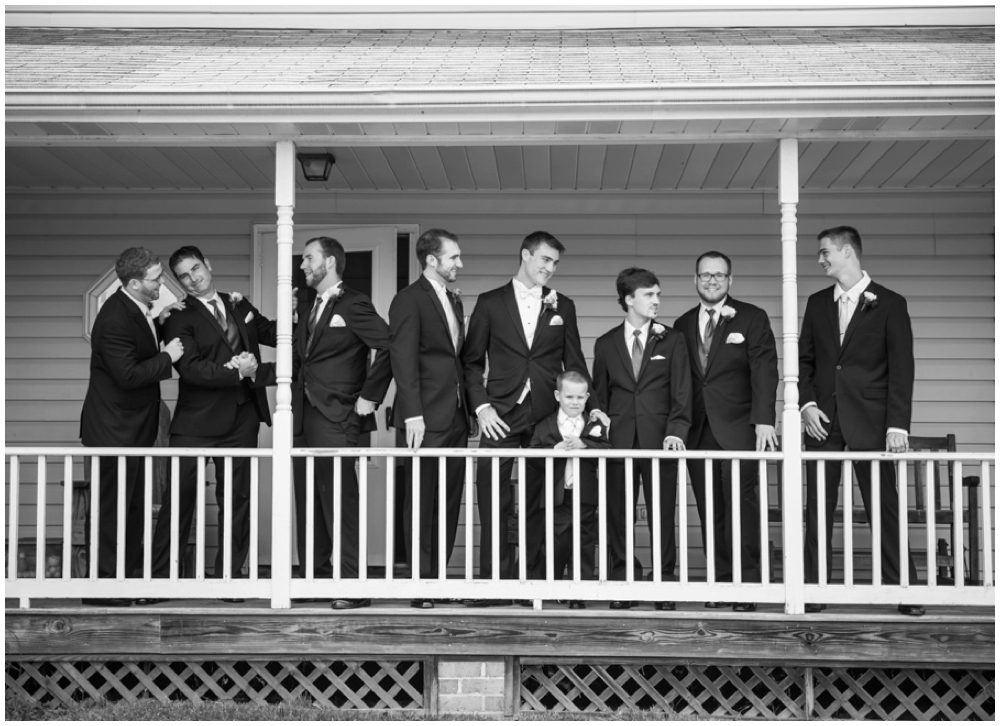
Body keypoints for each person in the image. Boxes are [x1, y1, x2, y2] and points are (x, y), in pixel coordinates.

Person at [462, 231, 594, 605]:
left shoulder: (562, 306)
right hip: (499, 416)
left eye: (555, 263)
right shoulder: (489, 303)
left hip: (544, 418)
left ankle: (533, 582)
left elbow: (575, 360)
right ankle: (494, 584)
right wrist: (482, 406)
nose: (550, 269)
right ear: (525, 255)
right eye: (545, 260)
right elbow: (471, 362)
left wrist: (593, 406)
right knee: (492, 499)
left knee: (541, 502)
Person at [799, 225, 923, 617]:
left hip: (872, 419)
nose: (820, 259)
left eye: (825, 252)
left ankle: (905, 589)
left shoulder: (889, 303)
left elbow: (902, 367)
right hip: (824, 420)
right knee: (818, 506)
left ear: (848, 252)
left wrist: (897, 425)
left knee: (884, 505)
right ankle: (815, 588)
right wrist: (805, 404)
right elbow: (806, 361)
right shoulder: (817, 303)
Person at [149, 246, 276, 596]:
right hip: (195, 422)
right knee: (179, 500)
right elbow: (190, 370)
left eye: (196, 269)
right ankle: (162, 579)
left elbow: (269, 331)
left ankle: (229, 579)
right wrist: (238, 373)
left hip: (242, 419)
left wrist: (299, 315)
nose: (193, 279)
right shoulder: (177, 317)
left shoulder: (237, 304)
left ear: (208, 264)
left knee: (237, 501)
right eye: (184, 276)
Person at [674, 252, 779, 613]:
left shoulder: (751, 317)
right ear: (696, 280)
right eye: (705, 275)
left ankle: (747, 584)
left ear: (730, 281)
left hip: (740, 429)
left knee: (742, 507)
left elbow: (765, 371)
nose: (712, 281)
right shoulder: (683, 323)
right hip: (698, 431)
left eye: (719, 275)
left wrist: (765, 419)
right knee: (710, 510)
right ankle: (719, 582)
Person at [79, 247, 183, 606]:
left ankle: (129, 580)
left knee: (133, 507)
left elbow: (139, 342)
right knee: (112, 510)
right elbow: (128, 375)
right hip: (113, 430)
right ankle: (105, 589)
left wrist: (160, 320)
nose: (160, 285)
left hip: (132, 429)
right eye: (156, 280)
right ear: (135, 282)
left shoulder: (136, 310)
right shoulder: (114, 319)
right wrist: (168, 356)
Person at [294, 236, 392, 610]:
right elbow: (304, 363)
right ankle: (313, 579)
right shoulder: (312, 307)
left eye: (308, 258)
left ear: (330, 261)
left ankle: (352, 585)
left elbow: (388, 344)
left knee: (340, 501)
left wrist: (370, 395)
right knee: (308, 500)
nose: (302, 265)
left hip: (338, 416)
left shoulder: (352, 303)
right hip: (304, 417)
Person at [592, 267, 691, 611]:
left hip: (660, 440)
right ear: (629, 299)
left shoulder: (673, 339)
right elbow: (600, 398)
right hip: (618, 442)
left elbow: (682, 392)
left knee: (661, 513)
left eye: (658, 295)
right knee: (618, 515)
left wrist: (676, 433)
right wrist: (600, 438)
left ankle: (664, 583)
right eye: (649, 295)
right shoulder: (605, 344)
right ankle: (622, 583)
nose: (656, 301)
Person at [388, 229, 469, 608]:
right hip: (423, 418)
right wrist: (413, 415)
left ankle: (439, 577)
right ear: (432, 260)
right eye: (453, 257)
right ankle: (419, 582)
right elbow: (402, 360)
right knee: (420, 500)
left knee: (448, 500)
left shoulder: (453, 299)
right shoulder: (408, 300)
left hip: (455, 414)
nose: (460, 264)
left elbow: (455, 358)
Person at [526, 370, 611, 607]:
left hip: (584, 495)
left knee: (583, 542)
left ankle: (579, 592)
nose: (575, 402)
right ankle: (550, 586)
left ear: (587, 398)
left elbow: (607, 451)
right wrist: (552, 451)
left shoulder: (594, 425)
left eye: (580, 398)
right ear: (557, 395)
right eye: (569, 397)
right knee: (557, 542)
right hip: (557, 496)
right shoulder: (545, 425)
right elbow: (531, 457)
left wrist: (584, 444)